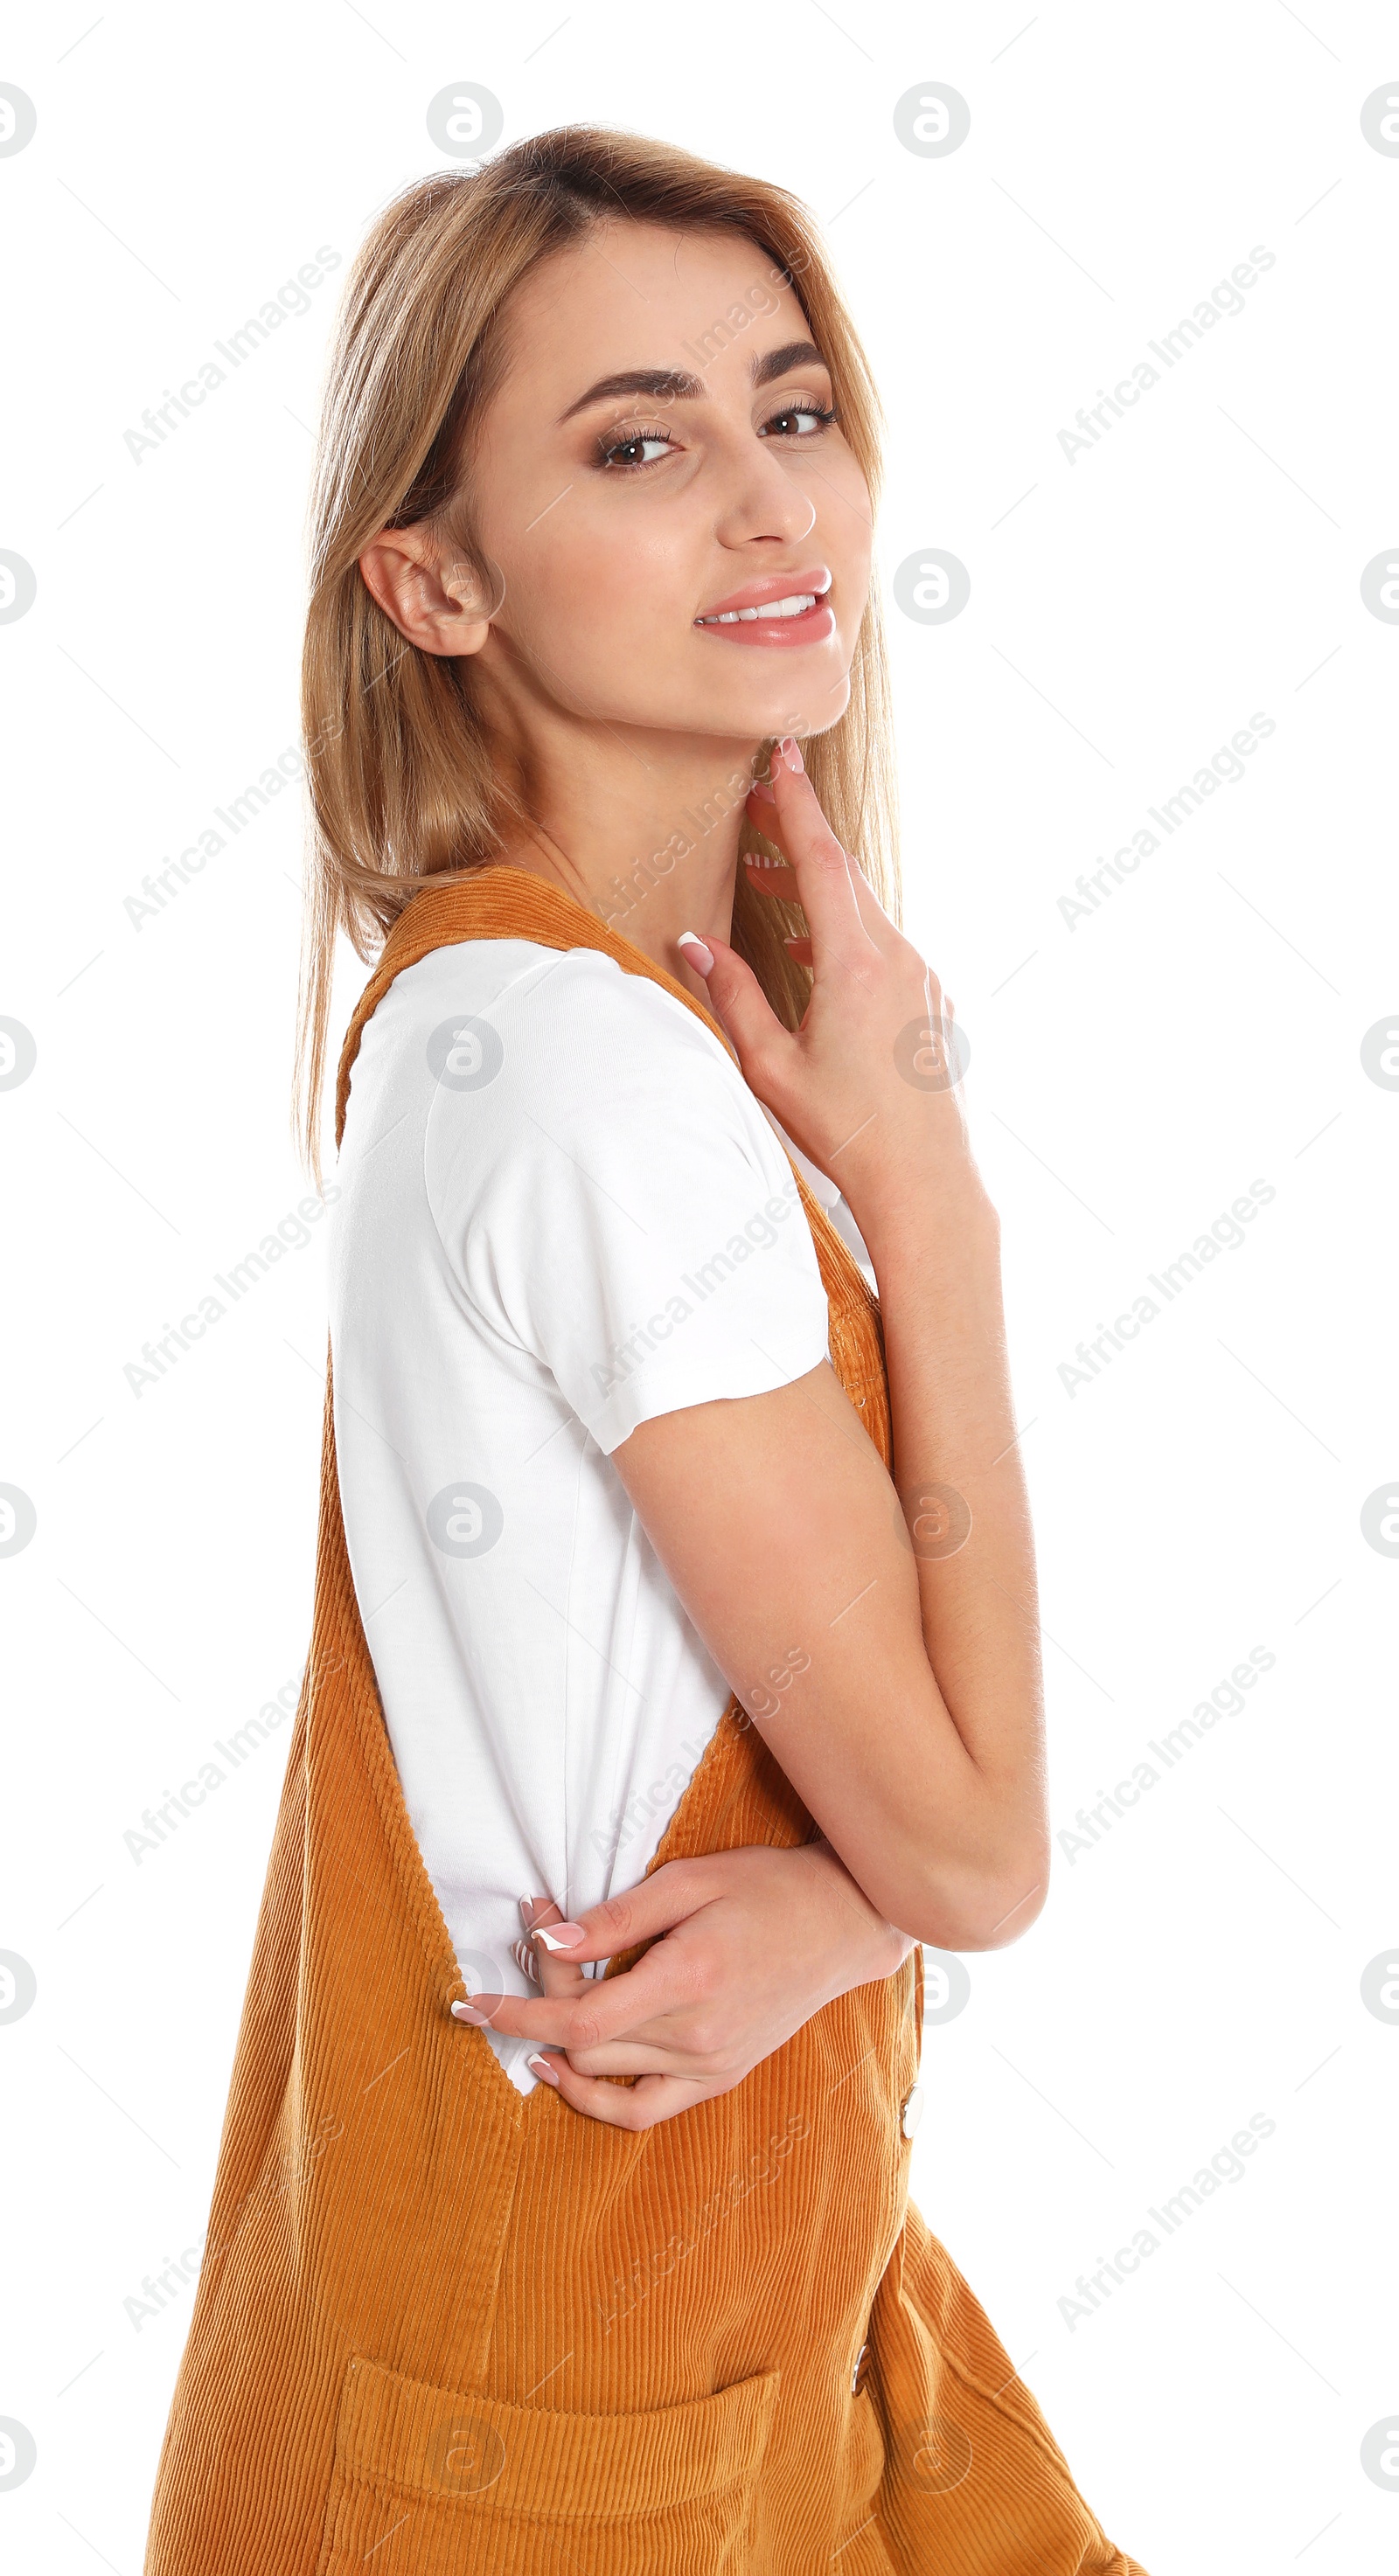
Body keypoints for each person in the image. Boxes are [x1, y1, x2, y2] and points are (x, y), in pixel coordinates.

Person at [143, 126, 1148, 2576]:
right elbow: (978, 1836)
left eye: (793, 410)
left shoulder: (567, 1035)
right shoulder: (584, 1076)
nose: (765, 501)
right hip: (575, 2415)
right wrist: (936, 1193)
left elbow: (891, 1832)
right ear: (435, 581)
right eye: (638, 443)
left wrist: (837, 1911)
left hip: (733, 2340)